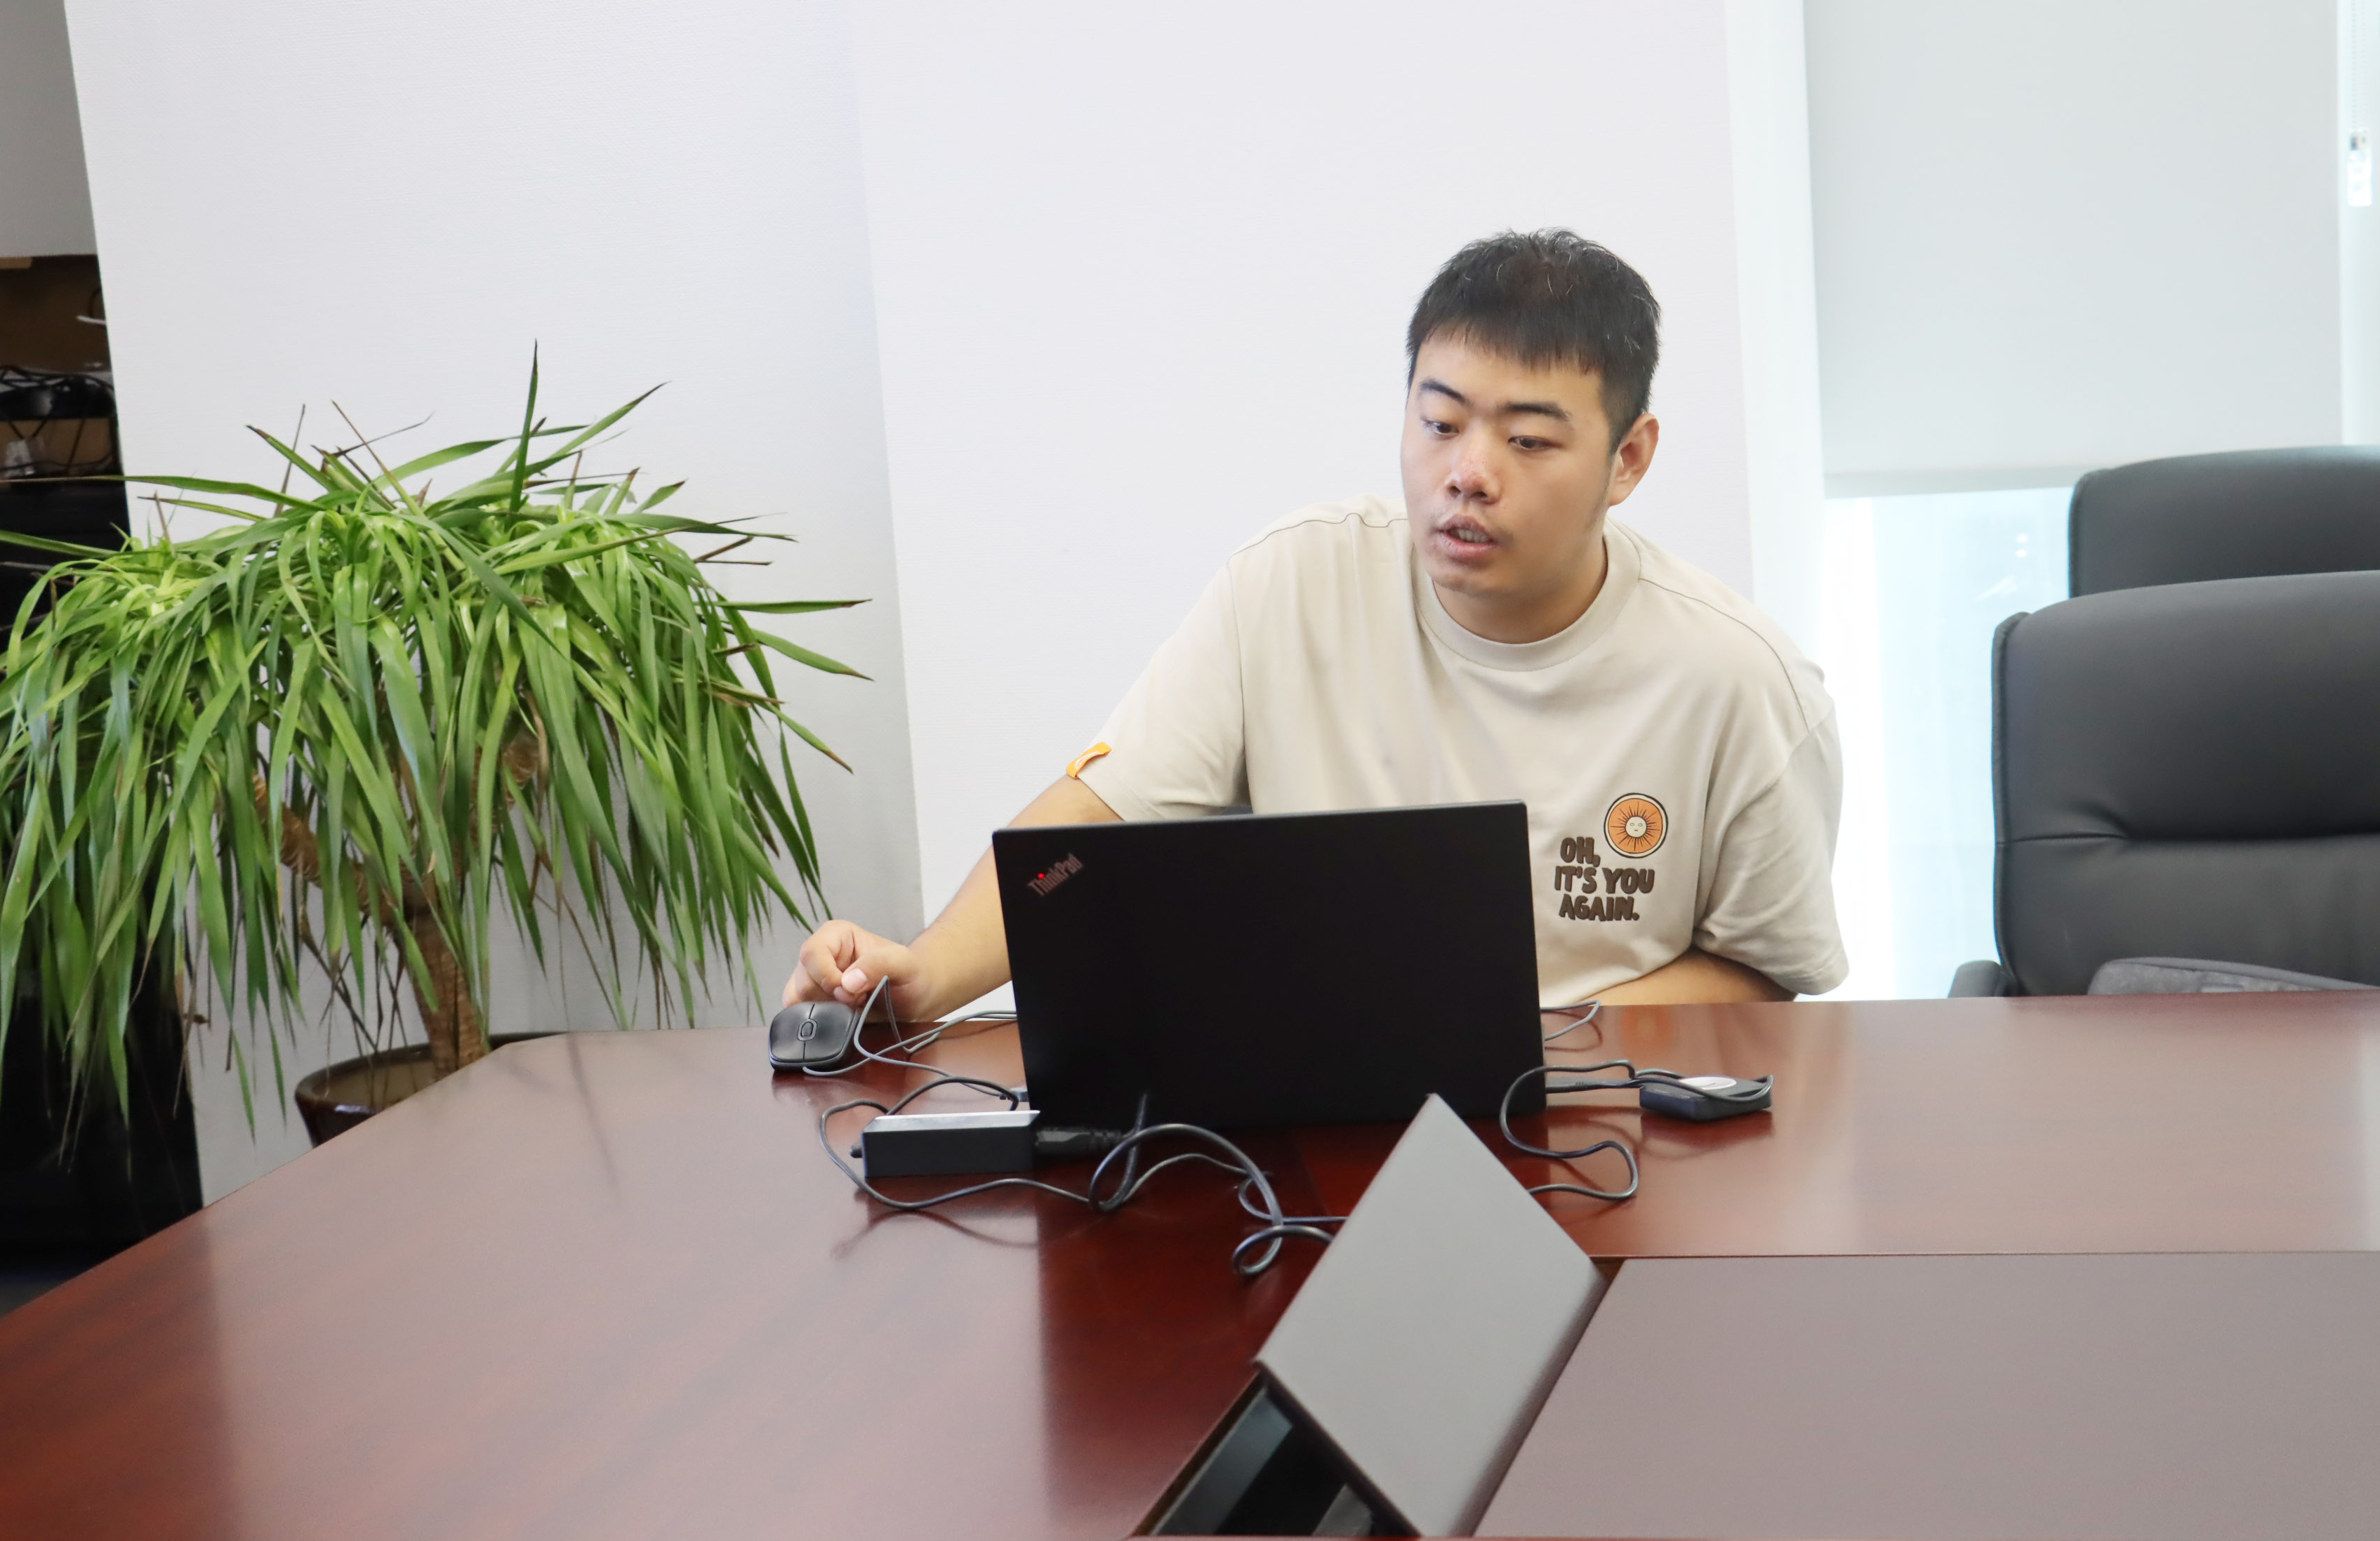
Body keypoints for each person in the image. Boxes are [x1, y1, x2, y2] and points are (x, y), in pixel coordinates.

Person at [785, 229, 1844, 1019]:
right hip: (1324, 1120)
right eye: (1439, 423)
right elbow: (1087, 832)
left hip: (1606, 1130)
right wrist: (927, 975)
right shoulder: (1290, 586)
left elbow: (1762, 973)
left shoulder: (1739, 681)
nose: (1468, 474)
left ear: (1630, 458)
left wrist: (1532, 1046)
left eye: (1528, 441)